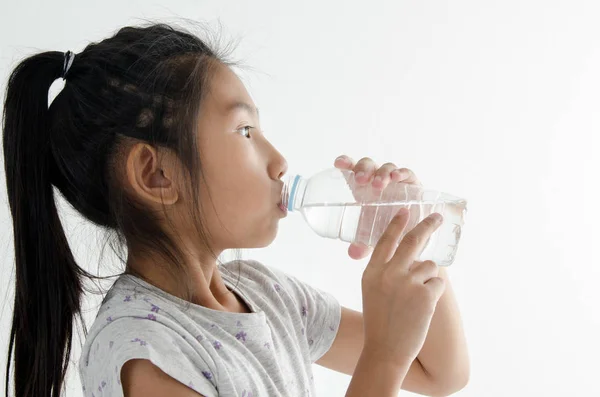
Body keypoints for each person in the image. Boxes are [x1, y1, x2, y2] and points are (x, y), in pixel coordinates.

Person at [2, 21, 468, 397]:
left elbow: (439, 372)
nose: (279, 160)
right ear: (156, 174)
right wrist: (383, 357)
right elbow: (399, 361)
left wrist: (407, 224)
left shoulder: (266, 295)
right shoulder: (145, 354)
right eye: (245, 131)